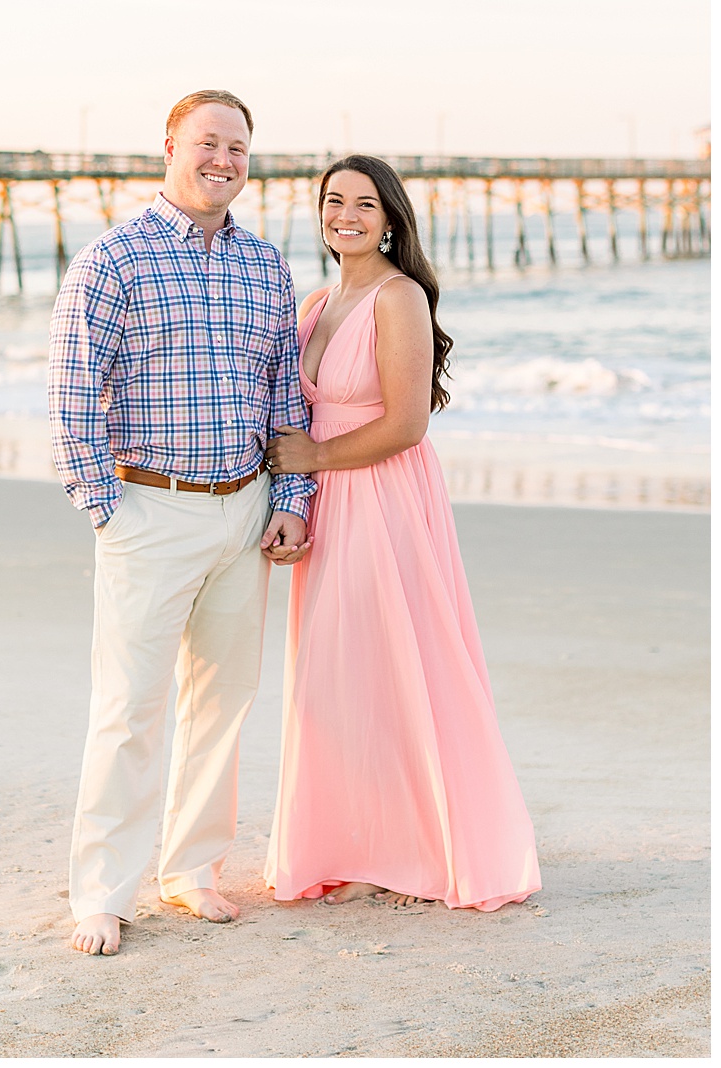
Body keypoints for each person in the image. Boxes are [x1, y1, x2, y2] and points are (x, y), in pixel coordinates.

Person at [48, 89, 316, 958]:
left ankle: (191, 870)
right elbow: (71, 396)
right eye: (208, 143)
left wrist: (289, 501)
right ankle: (102, 892)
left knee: (224, 704)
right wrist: (105, 510)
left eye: (239, 148)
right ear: (171, 145)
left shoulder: (266, 267)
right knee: (129, 708)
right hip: (147, 509)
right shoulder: (113, 260)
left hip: (243, 509)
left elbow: (284, 393)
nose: (224, 161)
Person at [263, 155, 540, 911]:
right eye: (332, 201)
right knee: (335, 676)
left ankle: (427, 843)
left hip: (382, 495)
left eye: (363, 204)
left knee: (399, 663)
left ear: (390, 220)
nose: (344, 215)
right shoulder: (317, 303)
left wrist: (315, 457)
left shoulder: (400, 297)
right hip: (327, 500)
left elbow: (408, 423)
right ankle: (352, 841)